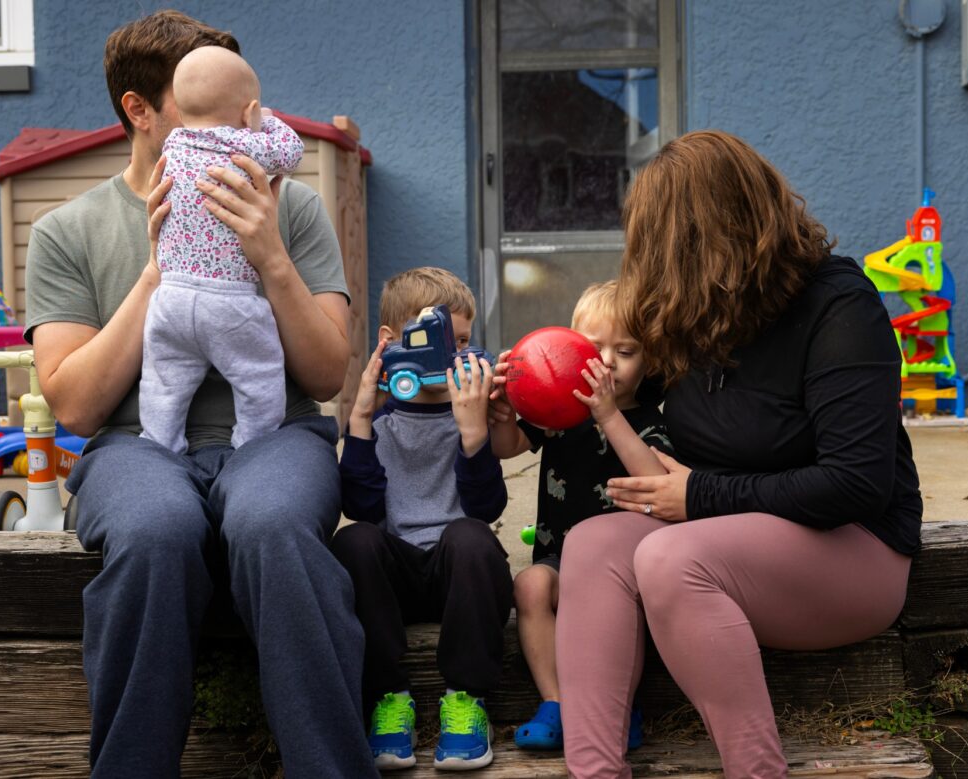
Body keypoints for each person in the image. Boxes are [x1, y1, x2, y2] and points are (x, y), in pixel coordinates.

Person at [24, 10, 377, 778]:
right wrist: (159, 273)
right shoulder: (66, 231)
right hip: (136, 447)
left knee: (273, 521)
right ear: (140, 111)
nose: (233, 122)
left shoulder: (291, 205)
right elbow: (75, 407)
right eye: (196, 100)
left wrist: (271, 257)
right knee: (154, 527)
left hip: (276, 437)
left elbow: (326, 374)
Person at [553, 130, 922, 778]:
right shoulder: (693, 310)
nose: (652, 272)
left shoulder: (840, 307)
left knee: (670, 558)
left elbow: (858, 483)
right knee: (591, 545)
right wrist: (526, 388)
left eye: (665, 251)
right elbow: (617, 382)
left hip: (853, 550)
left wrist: (701, 496)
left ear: (722, 235)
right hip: (721, 540)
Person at [332, 267, 513, 771]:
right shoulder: (382, 423)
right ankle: (388, 700)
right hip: (396, 581)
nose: (457, 354)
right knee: (354, 541)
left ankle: (466, 700)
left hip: (461, 577)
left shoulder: (469, 416)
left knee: (472, 536)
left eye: (464, 342)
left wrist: (474, 436)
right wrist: (360, 421)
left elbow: (487, 509)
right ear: (393, 341)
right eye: (445, 341)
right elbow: (362, 508)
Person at [488, 280, 674, 752]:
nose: (607, 361)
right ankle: (557, 703)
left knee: (617, 613)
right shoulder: (560, 409)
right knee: (529, 586)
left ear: (649, 360)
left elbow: (655, 480)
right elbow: (508, 448)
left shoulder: (653, 419)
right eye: (593, 349)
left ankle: (618, 706)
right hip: (560, 559)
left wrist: (609, 415)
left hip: (623, 571)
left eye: (625, 352)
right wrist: (504, 412)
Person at [140, 45, 304, 454]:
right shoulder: (245, 146)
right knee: (259, 377)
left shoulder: (173, 145)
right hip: (230, 303)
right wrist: (266, 121)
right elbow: (292, 152)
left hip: (171, 299)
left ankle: (159, 445)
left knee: (163, 382)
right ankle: (251, 448)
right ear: (249, 111)